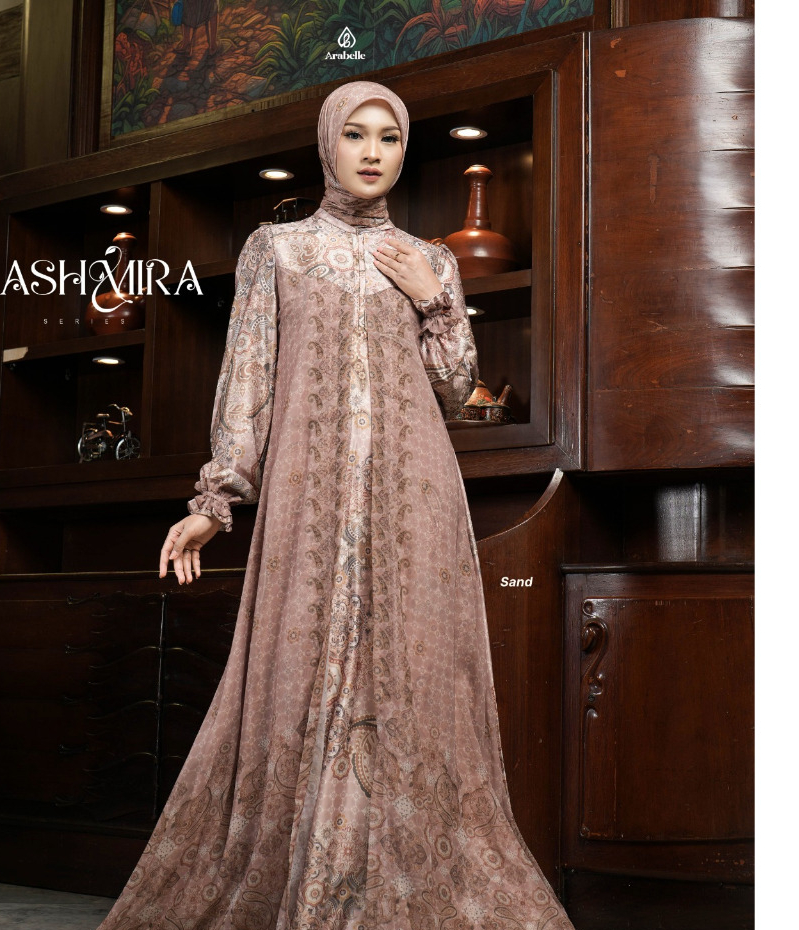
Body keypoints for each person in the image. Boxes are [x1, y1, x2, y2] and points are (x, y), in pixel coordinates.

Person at [97, 79, 574, 930]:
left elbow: (455, 388)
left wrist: (435, 296)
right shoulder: (276, 251)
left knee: (413, 674)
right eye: (355, 134)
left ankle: (394, 882)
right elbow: (247, 380)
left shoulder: (432, 257)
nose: (372, 152)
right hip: (308, 495)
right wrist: (216, 499)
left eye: (389, 137)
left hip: (414, 496)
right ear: (328, 144)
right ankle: (305, 876)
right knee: (300, 667)